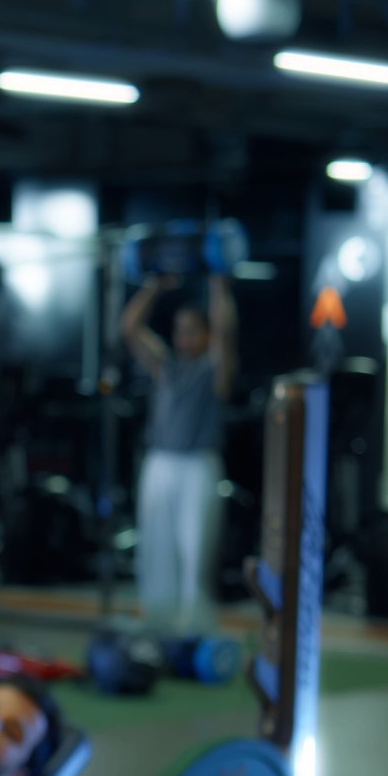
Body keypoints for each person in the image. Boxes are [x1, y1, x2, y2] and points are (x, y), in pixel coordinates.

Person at [122, 269, 237, 633]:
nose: (183, 338)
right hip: (160, 464)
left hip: (197, 467)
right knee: (157, 550)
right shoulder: (165, 367)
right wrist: (152, 286)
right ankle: (159, 625)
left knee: (194, 552)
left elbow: (226, 332)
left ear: (205, 335)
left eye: (192, 330)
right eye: (179, 330)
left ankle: (195, 629)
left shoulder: (213, 371)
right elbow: (130, 328)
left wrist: (218, 284)